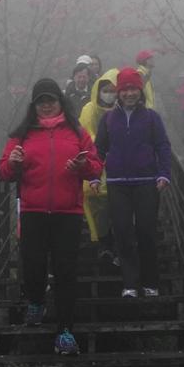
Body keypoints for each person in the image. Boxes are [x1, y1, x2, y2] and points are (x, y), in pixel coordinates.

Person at [0, 78, 103, 354]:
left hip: (67, 214)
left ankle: (65, 331)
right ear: (33, 106)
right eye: (41, 101)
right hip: (32, 211)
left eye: (51, 100)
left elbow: (95, 167)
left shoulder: (77, 132)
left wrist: (83, 166)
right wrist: (12, 163)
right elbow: (4, 172)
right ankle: (36, 300)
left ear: (60, 102)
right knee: (32, 265)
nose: (46, 105)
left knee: (66, 271)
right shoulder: (21, 134)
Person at [93, 67, 171, 297]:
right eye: (125, 89)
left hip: (147, 181)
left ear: (140, 91)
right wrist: (94, 176)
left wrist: (164, 173)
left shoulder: (151, 118)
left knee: (146, 231)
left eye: (133, 89)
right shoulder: (108, 119)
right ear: (118, 92)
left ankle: (150, 282)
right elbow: (99, 150)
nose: (129, 93)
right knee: (123, 231)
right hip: (118, 183)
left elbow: (163, 146)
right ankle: (129, 283)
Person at [78, 69, 119, 261]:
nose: (109, 94)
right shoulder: (90, 109)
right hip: (98, 163)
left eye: (113, 90)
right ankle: (104, 244)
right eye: (106, 90)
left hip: (122, 166)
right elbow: (86, 133)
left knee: (121, 207)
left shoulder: (124, 109)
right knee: (99, 207)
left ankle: (119, 245)